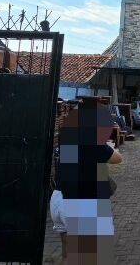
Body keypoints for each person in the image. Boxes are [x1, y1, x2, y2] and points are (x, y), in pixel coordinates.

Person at [58, 97, 123, 264]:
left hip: (59, 199)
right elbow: (117, 158)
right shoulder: (92, 140)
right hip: (82, 201)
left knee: (69, 253)